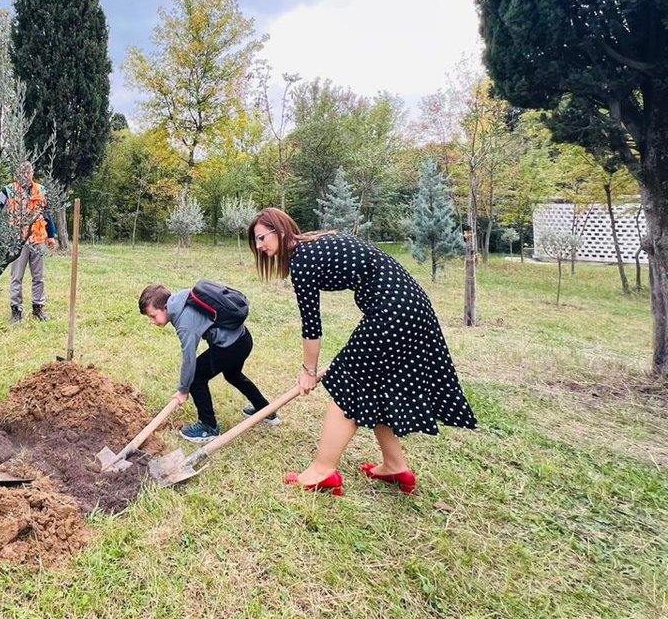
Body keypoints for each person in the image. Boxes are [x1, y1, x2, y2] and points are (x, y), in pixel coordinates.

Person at [247, 207, 476, 496]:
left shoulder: (302, 261)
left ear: (279, 230)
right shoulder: (315, 243)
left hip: (391, 312)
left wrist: (308, 372)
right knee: (375, 386)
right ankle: (395, 465)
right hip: (411, 306)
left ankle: (322, 471)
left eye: (261, 238)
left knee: (347, 386)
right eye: (255, 242)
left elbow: (312, 326)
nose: (259, 246)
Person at [138, 282, 278, 442]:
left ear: (164, 307)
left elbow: (189, 359)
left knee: (196, 377)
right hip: (243, 338)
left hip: (231, 346)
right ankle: (267, 411)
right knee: (234, 376)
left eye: (153, 316)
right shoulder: (182, 298)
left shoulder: (184, 323)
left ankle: (208, 426)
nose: (152, 321)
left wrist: (183, 390)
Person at [0, 160, 58, 322]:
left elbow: (47, 214)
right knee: (17, 276)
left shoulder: (41, 190)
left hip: (38, 239)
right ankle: (16, 311)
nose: (25, 176)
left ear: (32, 173)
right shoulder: (8, 190)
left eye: (28, 173)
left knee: (39, 276)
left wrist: (51, 235)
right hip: (18, 240)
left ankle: (38, 308)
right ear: (18, 175)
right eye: (22, 173)